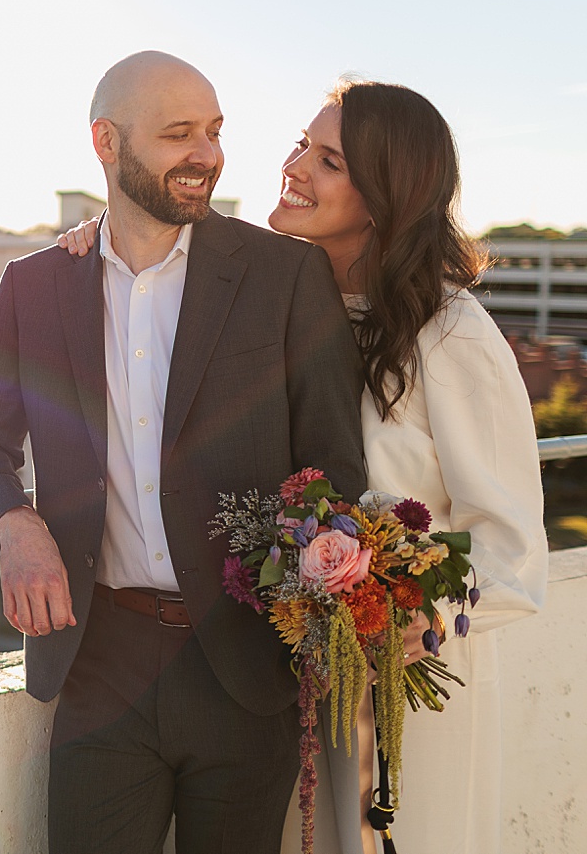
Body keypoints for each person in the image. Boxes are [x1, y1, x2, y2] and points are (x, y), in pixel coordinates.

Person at [58, 79, 549, 854]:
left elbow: (513, 546)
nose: (295, 167)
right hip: (288, 685)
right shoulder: (277, 295)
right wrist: (96, 237)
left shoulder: (452, 333)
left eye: (329, 160)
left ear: (385, 195)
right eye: (301, 144)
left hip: (406, 689)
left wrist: (410, 616)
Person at [0, 51, 367, 854]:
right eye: (179, 134)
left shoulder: (284, 275)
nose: (206, 153)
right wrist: (15, 523)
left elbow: (335, 466)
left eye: (213, 131)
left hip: (246, 665)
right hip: (101, 660)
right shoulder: (35, 286)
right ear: (107, 142)